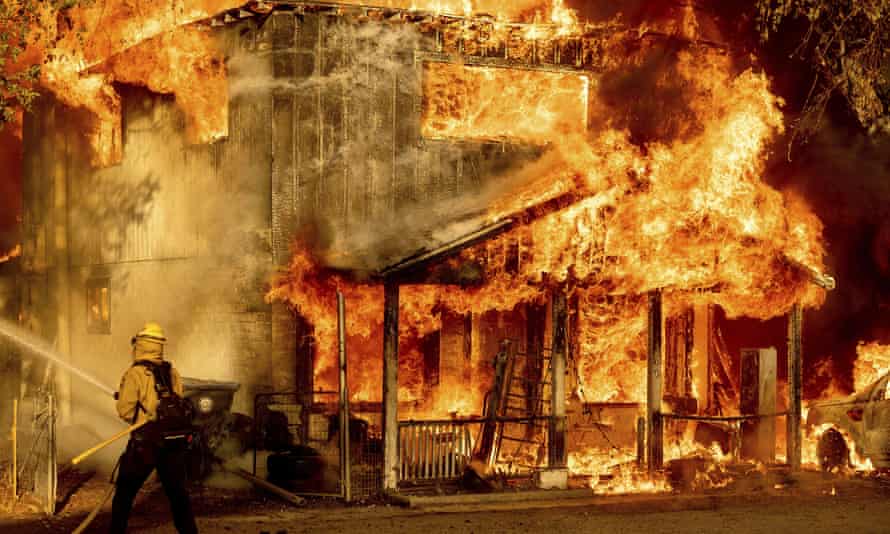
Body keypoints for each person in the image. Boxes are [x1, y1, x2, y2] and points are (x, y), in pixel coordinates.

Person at [109, 322, 198, 534]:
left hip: (145, 446)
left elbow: (125, 411)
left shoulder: (135, 374)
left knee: (124, 495)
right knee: (179, 497)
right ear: (159, 346)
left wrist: (140, 415)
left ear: (140, 344)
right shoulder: (172, 372)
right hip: (173, 444)